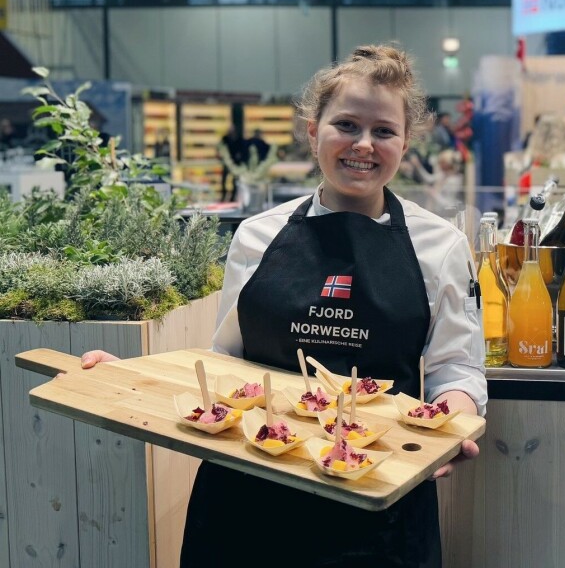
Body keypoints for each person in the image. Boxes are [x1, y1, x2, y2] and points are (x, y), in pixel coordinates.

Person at [80, 45, 487, 567]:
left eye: (384, 131)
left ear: (406, 143)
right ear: (313, 130)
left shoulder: (441, 247)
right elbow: (227, 364)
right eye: (346, 125)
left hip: (377, 499)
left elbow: (458, 369)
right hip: (249, 498)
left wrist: (451, 422)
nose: (363, 144)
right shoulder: (257, 236)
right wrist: (138, 382)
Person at [218, 124, 246, 201]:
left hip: (235, 164)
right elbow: (220, 148)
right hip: (227, 163)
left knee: (234, 181)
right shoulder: (225, 138)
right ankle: (224, 196)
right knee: (224, 181)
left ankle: (233, 197)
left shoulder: (239, 139)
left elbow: (242, 150)